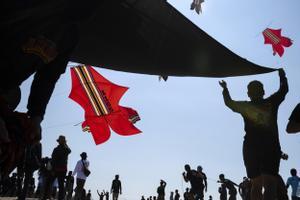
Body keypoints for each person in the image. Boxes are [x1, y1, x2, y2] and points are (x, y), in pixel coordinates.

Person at [219, 68, 288, 200]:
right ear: (263, 91)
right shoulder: (271, 102)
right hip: (270, 146)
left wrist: (225, 89)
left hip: (251, 147)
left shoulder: (245, 106)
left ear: (248, 93)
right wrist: (282, 76)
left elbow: (229, 103)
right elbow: (284, 90)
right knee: (270, 183)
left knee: (256, 184)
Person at [42, 135, 71, 200]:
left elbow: (53, 160)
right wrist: (65, 143)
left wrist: (52, 170)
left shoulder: (56, 149)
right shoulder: (66, 150)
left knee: (48, 183)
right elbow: (70, 150)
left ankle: (44, 197)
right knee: (61, 186)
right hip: (63, 170)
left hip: (55, 170)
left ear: (58, 142)